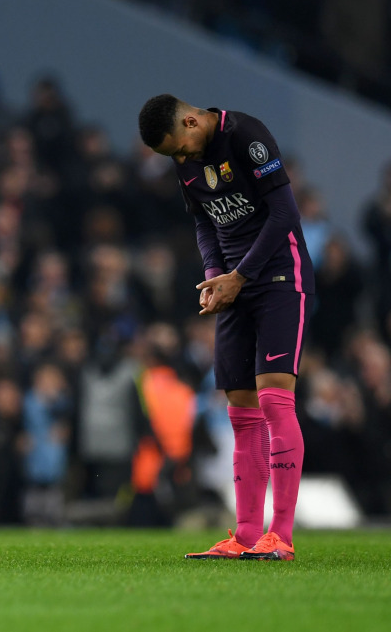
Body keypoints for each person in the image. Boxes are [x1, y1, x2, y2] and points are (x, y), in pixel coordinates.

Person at [138, 95, 313, 561]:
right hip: (235, 284)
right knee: (240, 411)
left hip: (278, 277)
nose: (181, 160)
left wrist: (240, 275)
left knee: (275, 398)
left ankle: (283, 536)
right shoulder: (187, 159)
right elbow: (203, 223)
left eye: (180, 148)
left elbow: (285, 216)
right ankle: (247, 534)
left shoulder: (246, 135)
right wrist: (217, 273)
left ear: (192, 120)